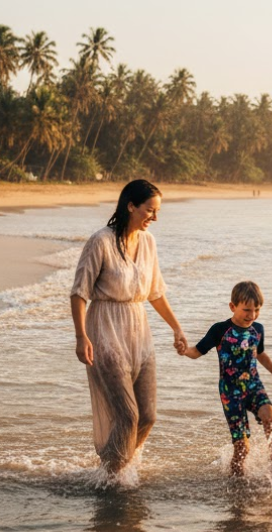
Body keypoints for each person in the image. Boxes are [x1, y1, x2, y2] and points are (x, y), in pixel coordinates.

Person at [70, 179, 188, 474]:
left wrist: (176, 328)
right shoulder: (101, 241)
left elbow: (155, 292)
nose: (155, 218)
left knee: (147, 415)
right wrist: (81, 336)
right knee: (127, 414)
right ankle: (113, 476)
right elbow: (79, 292)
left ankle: (113, 466)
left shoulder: (149, 242)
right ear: (131, 205)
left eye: (157, 211)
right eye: (150, 210)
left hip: (139, 332)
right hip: (105, 330)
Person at [180, 281, 272, 480]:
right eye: (247, 310)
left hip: (253, 385)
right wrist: (184, 350)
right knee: (242, 448)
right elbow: (197, 352)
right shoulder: (220, 330)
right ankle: (237, 480)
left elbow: (260, 354)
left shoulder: (257, 329)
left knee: (271, 417)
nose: (252, 315)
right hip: (230, 392)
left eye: (257, 310)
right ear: (233, 307)